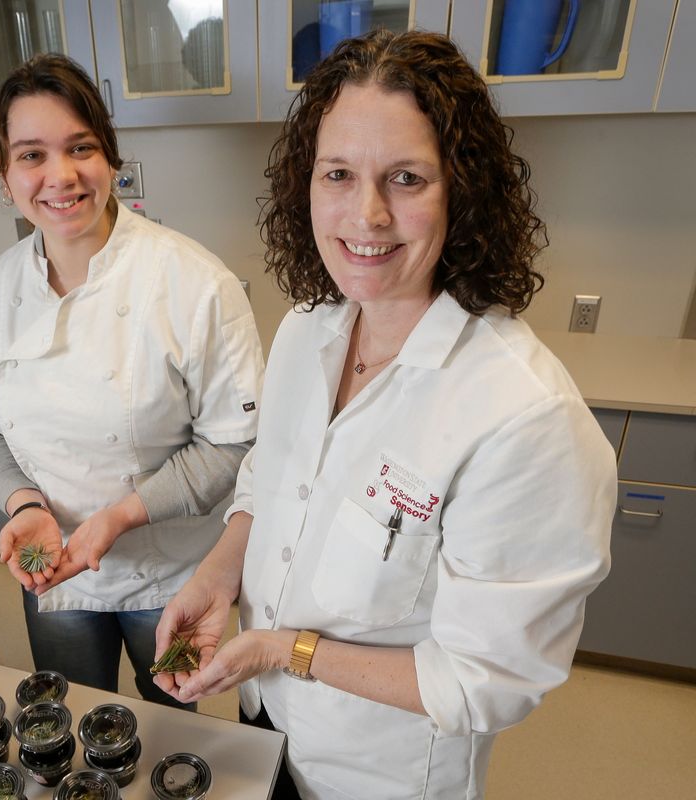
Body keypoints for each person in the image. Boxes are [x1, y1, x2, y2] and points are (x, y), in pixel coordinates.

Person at [154, 30, 616, 799]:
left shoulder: (524, 417)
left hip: (377, 770)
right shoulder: (307, 330)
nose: (365, 215)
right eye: (338, 174)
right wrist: (217, 574)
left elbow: (483, 683)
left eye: (405, 178)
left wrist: (282, 650)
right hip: (264, 717)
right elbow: (272, 480)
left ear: (462, 192)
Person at [0, 54, 263, 707]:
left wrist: (120, 516)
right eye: (31, 155)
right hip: (56, 576)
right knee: (71, 715)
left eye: (80, 148)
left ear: (111, 159)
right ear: (4, 173)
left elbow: (234, 446)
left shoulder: (193, 283)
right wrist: (24, 505)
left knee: (178, 717)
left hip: (177, 577)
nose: (59, 176)